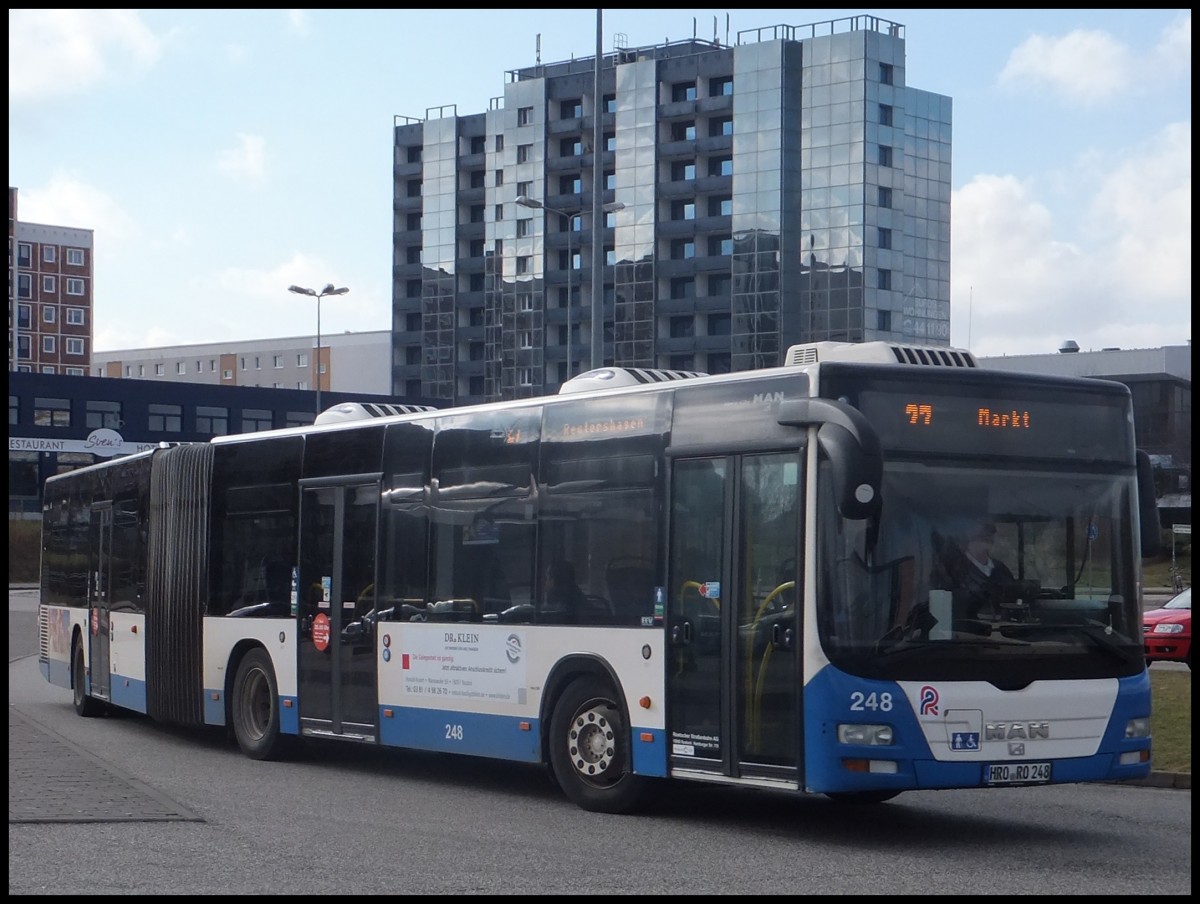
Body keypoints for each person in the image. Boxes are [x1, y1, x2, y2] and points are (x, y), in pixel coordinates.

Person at [947, 521, 1019, 620]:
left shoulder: (1001, 569)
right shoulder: (953, 569)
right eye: (980, 536)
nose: (986, 540)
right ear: (967, 538)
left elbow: (1013, 599)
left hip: (1004, 631)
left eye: (989, 535)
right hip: (966, 632)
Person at [543, 559, 586, 624]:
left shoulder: (557, 603)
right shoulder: (579, 596)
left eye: (547, 578)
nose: (545, 583)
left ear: (554, 580)